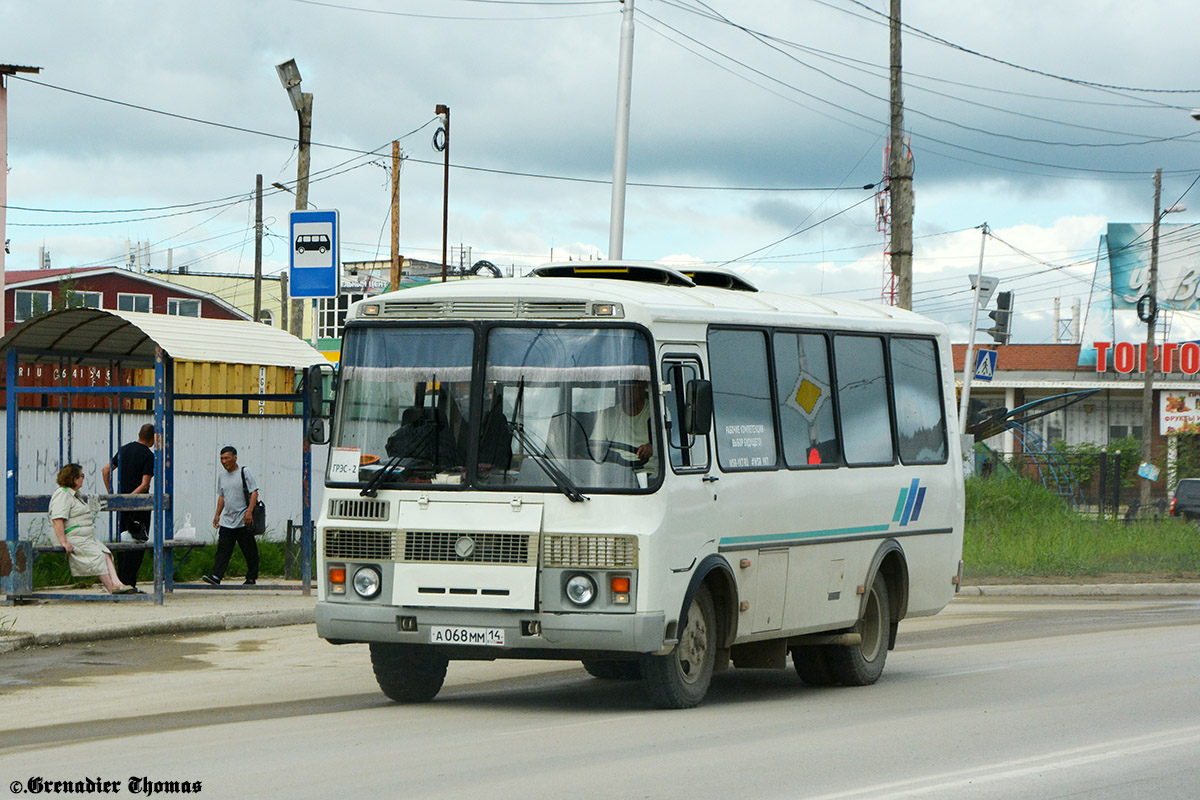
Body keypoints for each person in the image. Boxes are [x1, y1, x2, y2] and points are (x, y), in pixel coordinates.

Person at [49, 463, 135, 595]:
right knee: (98, 556)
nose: (83, 478)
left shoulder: (75, 495)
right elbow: (57, 519)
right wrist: (63, 542)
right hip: (70, 537)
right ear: (74, 478)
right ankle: (112, 589)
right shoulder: (63, 494)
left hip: (83, 537)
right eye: (81, 475)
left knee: (105, 553)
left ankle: (118, 584)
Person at [101, 423, 155, 592]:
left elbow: (106, 469)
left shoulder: (124, 449)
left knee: (123, 541)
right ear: (153, 438)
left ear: (139, 433)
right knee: (138, 540)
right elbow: (145, 484)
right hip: (139, 505)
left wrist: (113, 494)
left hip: (121, 504)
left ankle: (121, 580)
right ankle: (130, 582)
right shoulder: (148, 455)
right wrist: (132, 498)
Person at [202, 446, 260, 586]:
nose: (224, 461)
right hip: (228, 520)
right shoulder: (222, 476)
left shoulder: (244, 472)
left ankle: (251, 577)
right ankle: (216, 576)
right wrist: (217, 515)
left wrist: (249, 512)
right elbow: (222, 496)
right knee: (223, 549)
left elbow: (254, 492)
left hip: (243, 520)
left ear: (235, 458)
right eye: (222, 458)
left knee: (249, 550)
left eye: (227, 458)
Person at [590, 380, 659, 476]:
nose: (625, 391)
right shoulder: (607, 415)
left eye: (630, 385)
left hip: (649, 474)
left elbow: (666, 445)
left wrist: (652, 448)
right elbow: (595, 447)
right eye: (622, 386)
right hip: (613, 474)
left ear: (641, 386)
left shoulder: (657, 413)